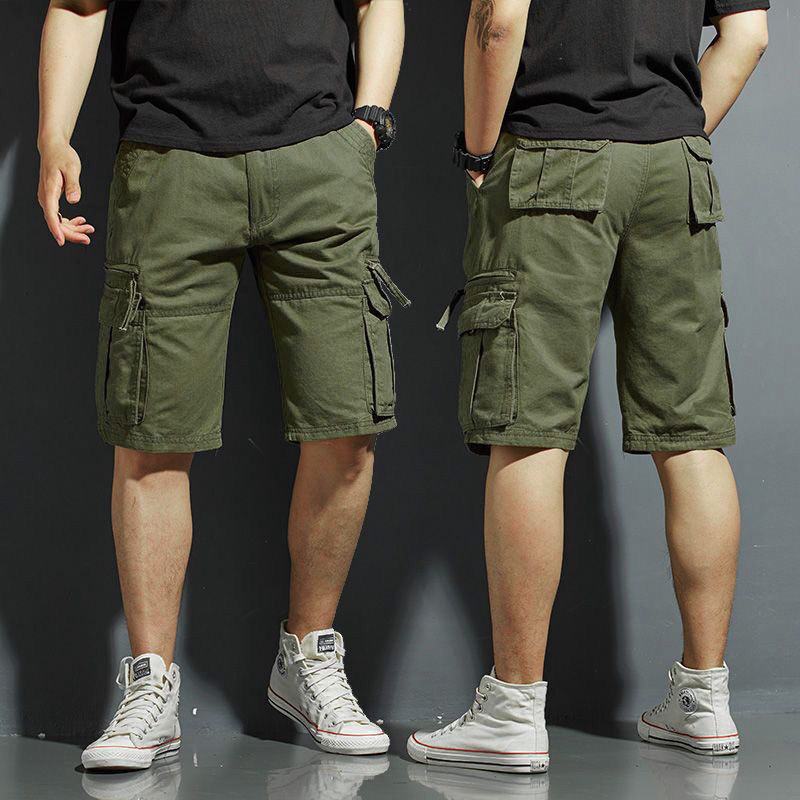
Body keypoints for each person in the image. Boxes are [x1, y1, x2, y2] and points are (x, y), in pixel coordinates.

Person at [37, 0, 406, 770]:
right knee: (151, 435)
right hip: (170, 158)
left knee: (347, 424)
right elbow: (76, 5)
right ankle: (150, 686)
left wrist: (369, 120)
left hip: (320, 158)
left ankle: (308, 654)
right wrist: (51, 135)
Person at [409, 0, 769, 773]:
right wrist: (667, 133)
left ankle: (513, 712)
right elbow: (748, 34)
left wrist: (479, 153)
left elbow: (498, 18)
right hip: (675, 162)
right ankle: (704, 700)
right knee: (691, 435)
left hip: (551, 151)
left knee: (528, 428)